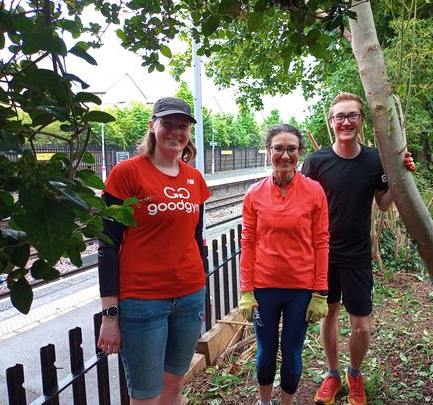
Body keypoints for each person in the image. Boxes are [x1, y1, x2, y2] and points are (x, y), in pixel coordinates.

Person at [97, 97, 210, 405]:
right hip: (143, 303)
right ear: (152, 126)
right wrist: (110, 316)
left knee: (174, 386)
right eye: (168, 124)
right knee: (146, 396)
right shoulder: (127, 174)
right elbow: (107, 246)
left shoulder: (195, 179)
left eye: (183, 126)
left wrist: (203, 290)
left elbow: (196, 239)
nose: (176, 132)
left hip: (189, 298)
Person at [302, 92, 414, 405]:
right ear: (332, 122)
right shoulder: (316, 162)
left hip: (357, 254)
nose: (346, 121)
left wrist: (400, 176)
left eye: (352, 115)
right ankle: (333, 374)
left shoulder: (374, 159)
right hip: (323, 254)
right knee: (329, 316)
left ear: (361, 121)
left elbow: (383, 201)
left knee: (361, 327)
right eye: (340, 116)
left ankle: (355, 374)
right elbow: (301, 205)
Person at [238, 124, 330, 405]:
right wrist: (246, 289)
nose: (285, 155)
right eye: (279, 148)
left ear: (300, 152)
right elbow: (248, 243)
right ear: (268, 152)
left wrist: (319, 292)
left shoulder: (314, 191)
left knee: (291, 351)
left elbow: (321, 242)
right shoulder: (254, 194)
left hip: (300, 290)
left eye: (291, 148)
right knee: (266, 352)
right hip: (264, 288)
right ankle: (265, 402)